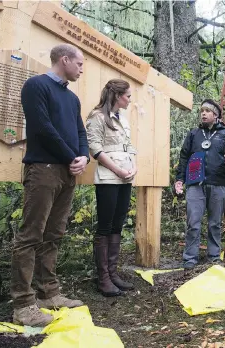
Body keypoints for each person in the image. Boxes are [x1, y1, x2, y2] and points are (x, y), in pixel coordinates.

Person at [11, 44, 88, 326]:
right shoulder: (35, 86)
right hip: (42, 169)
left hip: (67, 172)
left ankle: (49, 294)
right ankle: (23, 304)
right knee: (30, 236)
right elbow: (42, 127)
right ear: (64, 60)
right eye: (79, 63)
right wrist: (72, 156)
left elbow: (80, 131)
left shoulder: (72, 98)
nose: (82, 68)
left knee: (54, 234)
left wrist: (84, 157)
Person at [86, 79, 137, 297]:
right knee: (105, 225)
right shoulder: (97, 116)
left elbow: (129, 146)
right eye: (127, 96)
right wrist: (117, 169)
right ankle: (103, 278)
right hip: (108, 178)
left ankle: (113, 273)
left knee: (118, 223)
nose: (129, 100)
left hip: (126, 177)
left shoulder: (122, 119)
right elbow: (95, 148)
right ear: (117, 96)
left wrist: (133, 166)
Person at [175, 99, 225, 269]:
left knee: (215, 223)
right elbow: (184, 157)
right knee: (193, 221)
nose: (203, 114)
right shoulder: (194, 134)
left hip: (218, 183)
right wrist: (179, 179)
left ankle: (213, 255)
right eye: (201, 111)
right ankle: (190, 257)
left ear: (216, 114)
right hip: (195, 183)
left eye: (207, 111)